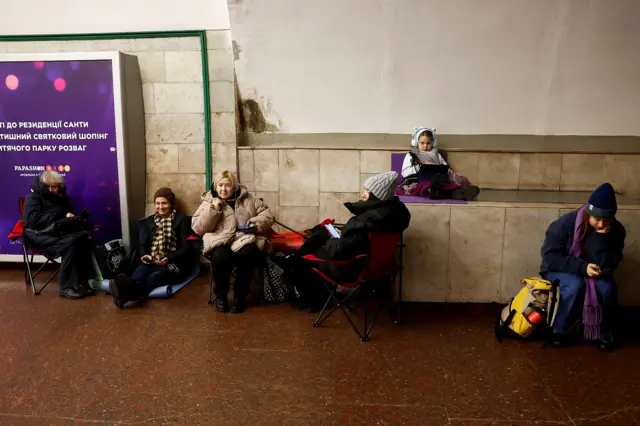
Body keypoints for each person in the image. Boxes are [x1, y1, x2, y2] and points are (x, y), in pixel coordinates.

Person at [291, 171, 411, 311]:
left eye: (367, 191)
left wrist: (331, 239)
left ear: (377, 196)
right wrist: (345, 236)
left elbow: (337, 252)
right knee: (319, 239)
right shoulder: (397, 216)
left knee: (308, 253)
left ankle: (309, 300)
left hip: (352, 271)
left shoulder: (361, 221)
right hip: (381, 267)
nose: (363, 194)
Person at [540, 183, 626, 351]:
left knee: (607, 288)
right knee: (574, 285)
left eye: (606, 220)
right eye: (597, 219)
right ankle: (560, 330)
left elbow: (614, 259)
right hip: (559, 269)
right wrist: (582, 267)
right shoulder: (564, 224)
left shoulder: (616, 230)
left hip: (596, 271)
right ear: (588, 214)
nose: (601, 224)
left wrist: (602, 240)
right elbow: (550, 257)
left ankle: (604, 332)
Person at [200, 171, 274, 314]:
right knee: (221, 256)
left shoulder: (248, 199)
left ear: (234, 187)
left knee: (250, 252)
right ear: (215, 186)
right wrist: (213, 210)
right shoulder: (208, 201)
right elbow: (199, 227)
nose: (223, 189)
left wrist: (254, 222)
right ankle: (221, 296)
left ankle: (240, 296)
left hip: (243, 239)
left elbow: (267, 215)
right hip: (219, 240)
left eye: (228, 185)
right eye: (220, 185)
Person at [108, 188, 196, 308]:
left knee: (154, 277)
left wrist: (168, 257)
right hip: (153, 261)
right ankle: (126, 294)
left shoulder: (182, 220)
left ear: (171, 204)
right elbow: (142, 245)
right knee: (139, 272)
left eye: (164, 203)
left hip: (173, 263)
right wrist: (145, 255)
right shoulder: (149, 221)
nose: (160, 207)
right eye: (157, 203)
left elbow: (186, 248)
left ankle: (125, 294)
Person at [22, 171, 96, 299]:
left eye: (54, 186)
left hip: (59, 233)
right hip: (38, 235)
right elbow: (32, 220)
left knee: (83, 237)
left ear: (59, 186)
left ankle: (83, 282)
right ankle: (66, 287)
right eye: (47, 187)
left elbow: (69, 216)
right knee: (72, 243)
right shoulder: (33, 198)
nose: (51, 190)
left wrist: (74, 219)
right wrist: (60, 216)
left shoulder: (63, 198)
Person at [400, 127, 479, 201]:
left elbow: (445, 168)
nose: (425, 146)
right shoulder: (411, 155)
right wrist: (421, 166)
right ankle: (447, 192)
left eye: (428, 143)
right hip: (419, 180)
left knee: (443, 182)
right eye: (422, 143)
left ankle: (457, 192)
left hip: (437, 179)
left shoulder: (437, 155)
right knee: (428, 184)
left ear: (433, 143)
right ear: (416, 142)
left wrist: (449, 173)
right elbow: (404, 173)